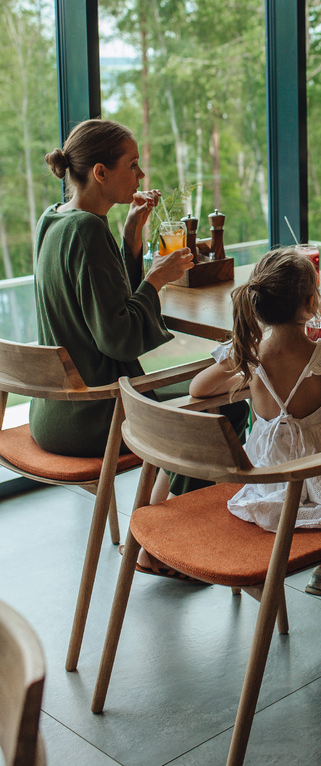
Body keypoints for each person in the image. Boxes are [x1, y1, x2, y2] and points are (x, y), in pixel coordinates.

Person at [32, 119, 250, 577]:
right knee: (226, 405)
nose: (141, 175)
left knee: (208, 392)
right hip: (96, 413)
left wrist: (132, 236)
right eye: (132, 164)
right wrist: (156, 278)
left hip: (53, 410)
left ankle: (150, 528)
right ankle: (164, 543)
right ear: (100, 172)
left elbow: (102, 306)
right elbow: (118, 336)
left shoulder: (55, 219)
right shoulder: (88, 232)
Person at [188, 248, 321, 609]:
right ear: (310, 303)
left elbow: (198, 389)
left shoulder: (250, 353)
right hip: (319, 461)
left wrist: (241, 372)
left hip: (269, 474)